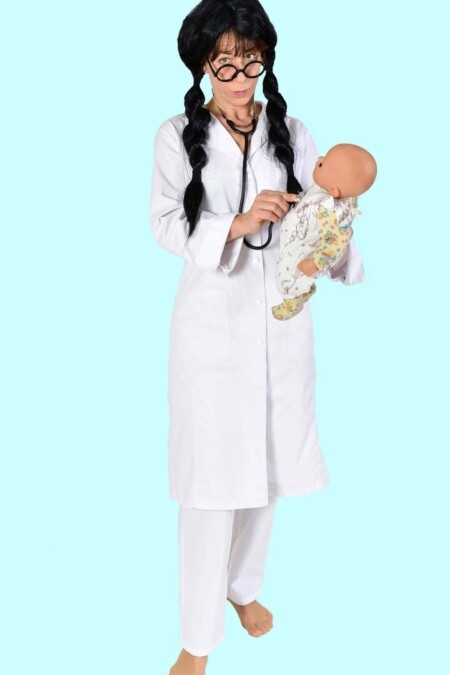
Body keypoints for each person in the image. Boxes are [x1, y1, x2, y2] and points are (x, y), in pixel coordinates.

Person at [149, 1, 365, 673]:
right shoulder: (174, 134)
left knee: (266, 476)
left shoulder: (292, 132)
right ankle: (197, 639)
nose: (241, 78)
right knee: (210, 488)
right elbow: (163, 222)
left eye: (252, 63)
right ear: (202, 64)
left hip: (281, 325)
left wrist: (329, 238)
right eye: (226, 64)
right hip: (211, 332)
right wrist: (237, 225)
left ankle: (243, 589)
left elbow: (326, 211)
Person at [272, 143, 377, 320]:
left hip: (303, 250)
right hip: (296, 237)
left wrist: (316, 263)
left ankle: (291, 301)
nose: (319, 159)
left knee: (286, 274)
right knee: (290, 270)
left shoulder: (328, 211)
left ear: (334, 191)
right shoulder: (324, 190)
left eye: (323, 163)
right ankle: (304, 290)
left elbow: (337, 242)